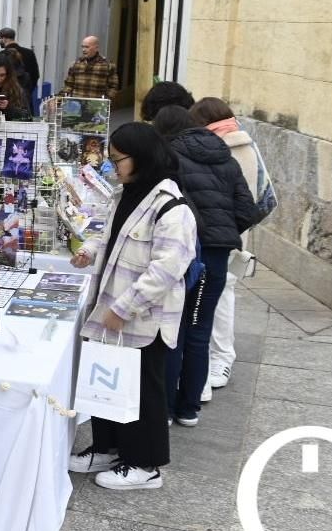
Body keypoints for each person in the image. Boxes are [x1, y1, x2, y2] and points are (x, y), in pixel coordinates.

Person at [68, 123, 198, 490]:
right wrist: (89, 250)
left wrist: (123, 308)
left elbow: (166, 270)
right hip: (113, 311)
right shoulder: (125, 194)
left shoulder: (171, 208)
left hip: (143, 319)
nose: (112, 168)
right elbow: (107, 234)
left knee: (142, 390)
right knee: (109, 382)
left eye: (117, 160)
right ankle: (109, 448)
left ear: (141, 158)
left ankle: (145, 465)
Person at [152, 106, 258, 428]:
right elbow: (248, 210)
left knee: (174, 332)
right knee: (199, 331)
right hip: (216, 257)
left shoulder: (170, 159)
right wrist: (223, 235)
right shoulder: (226, 158)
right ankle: (189, 408)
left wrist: (197, 234)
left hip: (188, 256)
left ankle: (168, 408)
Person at [188, 97, 264, 393]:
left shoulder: (235, 147)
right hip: (224, 234)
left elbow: (245, 200)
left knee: (220, 297)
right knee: (214, 299)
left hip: (223, 237)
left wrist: (224, 231)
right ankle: (212, 361)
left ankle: (220, 359)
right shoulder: (231, 141)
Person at [61, 36, 121, 102]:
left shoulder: (108, 65)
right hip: (77, 106)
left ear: (96, 48)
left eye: (87, 47)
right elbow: (68, 86)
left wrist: (105, 101)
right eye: (82, 47)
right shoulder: (75, 64)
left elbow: (113, 87)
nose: (83, 50)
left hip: (97, 106)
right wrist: (58, 99)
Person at [0, 28, 40, 111]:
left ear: (4, 38)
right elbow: (35, 75)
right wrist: (27, 91)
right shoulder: (29, 53)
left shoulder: (1, 55)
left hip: (6, 102)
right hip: (25, 99)